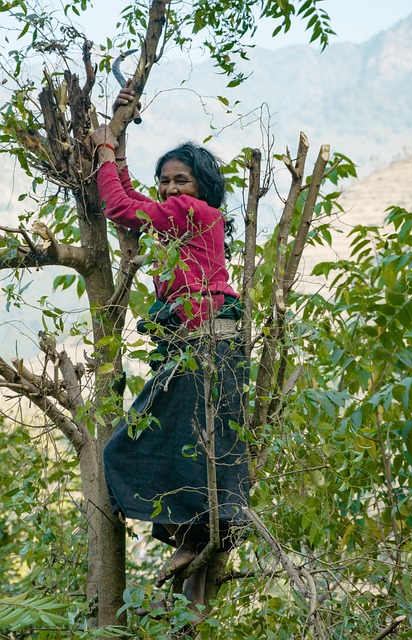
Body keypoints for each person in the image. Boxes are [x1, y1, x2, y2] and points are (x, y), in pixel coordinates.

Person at [90, 88, 250, 617]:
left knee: (155, 443)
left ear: (201, 187)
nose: (171, 188)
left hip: (206, 343)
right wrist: (118, 145)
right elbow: (135, 203)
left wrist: (107, 154)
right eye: (167, 181)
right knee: (188, 445)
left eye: (181, 179)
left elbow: (118, 206)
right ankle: (192, 557)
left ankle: (191, 544)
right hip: (201, 343)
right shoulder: (178, 216)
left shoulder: (190, 211)